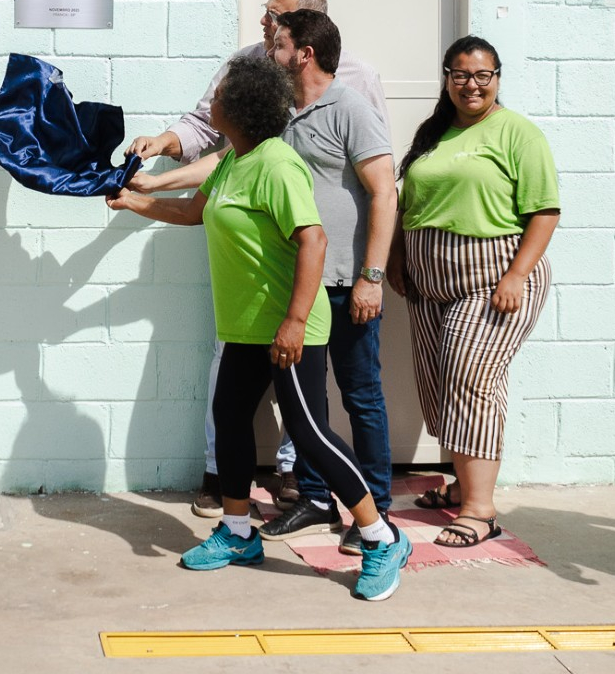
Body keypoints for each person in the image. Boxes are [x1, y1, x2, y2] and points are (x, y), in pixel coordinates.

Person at [110, 55, 411, 602]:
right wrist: (134, 201)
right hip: (245, 324)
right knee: (229, 421)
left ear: (242, 107)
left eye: (219, 96)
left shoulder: (276, 164)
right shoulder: (235, 161)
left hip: (286, 324)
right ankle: (239, 531)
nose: (211, 102)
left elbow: (313, 240)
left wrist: (295, 322)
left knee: (313, 437)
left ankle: (380, 534)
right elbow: (194, 213)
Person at [127, 0, 388, 515]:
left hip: (314, 293)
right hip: (260, 305)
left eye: (276, 21)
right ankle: (259, 520)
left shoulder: (312, 131)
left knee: (329, 417)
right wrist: (138, 195)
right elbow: (198, 196)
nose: (265, 30)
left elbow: (340, 218)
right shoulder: (248, 148)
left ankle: (377, 525)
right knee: (249, 418)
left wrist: (365, 278)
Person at [389, 36, 558, 549]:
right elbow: (407, 203)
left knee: (471, 379)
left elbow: (544, 211)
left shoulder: (517, 133)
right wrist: (398, 257)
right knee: (439, 385)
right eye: (461, 74)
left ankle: (480, 510)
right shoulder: (434, 133)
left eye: (483, 74)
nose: (472, 84)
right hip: (428, 281)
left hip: (492, 277)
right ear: (447, 77)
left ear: (498, 78)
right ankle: (463, 482)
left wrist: (515, 276)